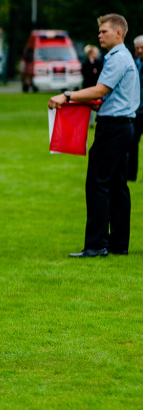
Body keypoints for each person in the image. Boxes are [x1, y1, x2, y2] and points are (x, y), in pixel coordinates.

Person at [48, 14, 140, 258]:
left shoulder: (117, 58)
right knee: (117, 185)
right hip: (121, 125)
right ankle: (118, 244)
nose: (99, 35)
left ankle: (96, 245)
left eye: (104, 31)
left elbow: (100, 89)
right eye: (99, 31)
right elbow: (110, 95)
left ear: (118, 33)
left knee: (97, 183)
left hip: (113, 129)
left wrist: (66, 95)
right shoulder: (122, 57)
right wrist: (100, 104)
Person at [130, 36, 143, 181]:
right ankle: (131, 176)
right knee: (131, 145)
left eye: (142, 48)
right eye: (137, 48)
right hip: (135, 111)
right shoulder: (133, 64)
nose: (139, 51)